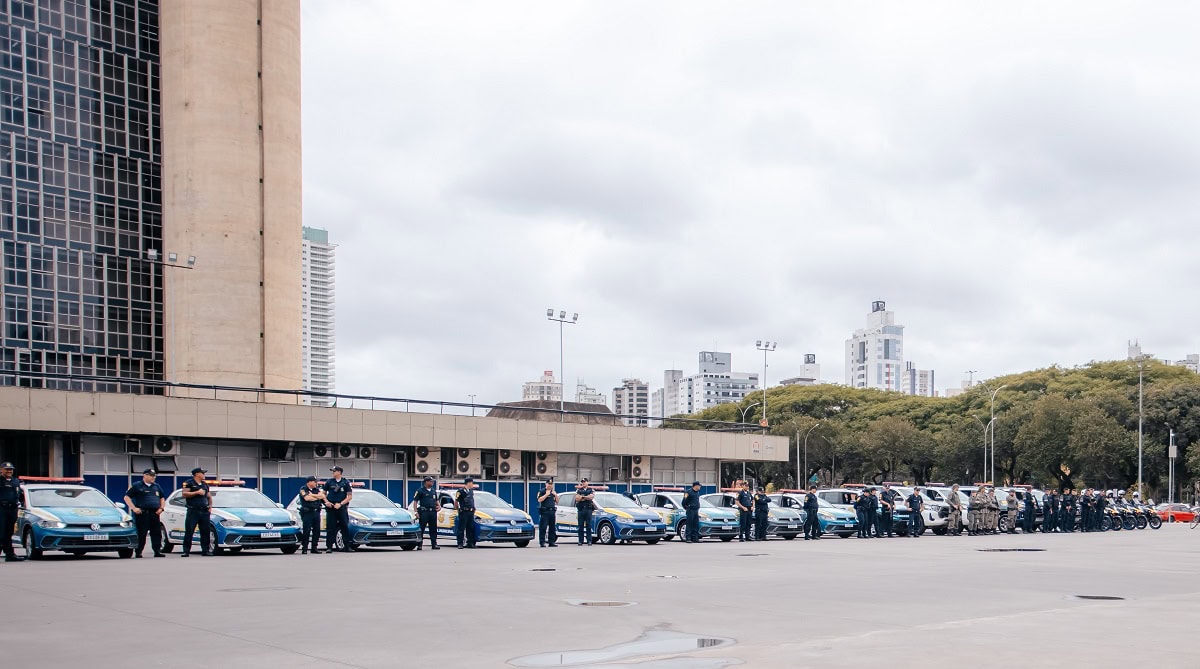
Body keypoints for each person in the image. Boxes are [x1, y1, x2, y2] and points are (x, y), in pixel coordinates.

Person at [123, 468, 166, 558]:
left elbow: (162, 498)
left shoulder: (157, 486)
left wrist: (161, 508)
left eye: (154, 476)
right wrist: (134, 508)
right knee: (142, 533)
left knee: (156, 533)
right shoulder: (137, 485)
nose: (153, 477)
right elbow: (127, 497)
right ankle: (139, 552)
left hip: (154, 513)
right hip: (142, 513)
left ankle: (157, 551)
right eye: (151, 475)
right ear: (145, 475)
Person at [180, 467, 213, 557]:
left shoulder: (204, 484)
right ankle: (186, 551)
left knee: (205, 531)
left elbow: (209, 496)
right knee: (189, 531)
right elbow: (184, 494)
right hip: (193, 510)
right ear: (197, 474)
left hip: (204, 511)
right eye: (202, 473)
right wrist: (197, 492)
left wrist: (210, 507)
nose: (204, 475)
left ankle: (205, 550)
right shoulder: (188, 483)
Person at [323, 466, 354, 553]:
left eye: (334, 471)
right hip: (331, 507)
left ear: (339, 472)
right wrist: (327, 502)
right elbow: (323, 494)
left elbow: (350, 496)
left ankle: (347, 546)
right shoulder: (329, 482)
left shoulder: (345, 482)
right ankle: (329, 547)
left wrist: (341, 504)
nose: (333, 472)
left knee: (344, 526)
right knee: (331, 527)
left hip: (341, 507)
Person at [0, 462, 24, 562]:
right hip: (1, 509)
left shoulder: (16, 481)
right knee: (1, 533)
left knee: (9, 533)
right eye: (6, 469)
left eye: (11, 469)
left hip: (12, 509)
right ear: (1, 470)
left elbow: (20, 495)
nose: (9, 471)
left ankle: (10, 555)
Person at [409, 476, 440, 550]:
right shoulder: (420, 490)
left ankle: (434, 544)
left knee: (433, 529)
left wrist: (439, 506)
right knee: (421, 529)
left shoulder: (433, 490)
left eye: (432, 481)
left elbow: (436, 500)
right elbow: (415, 501)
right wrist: (416, 511)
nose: (432, 482)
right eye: (430, 481)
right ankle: (420, 544)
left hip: (432, 512)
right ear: (426, 482)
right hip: (424, 512)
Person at [298, 476, 325, 555]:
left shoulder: (316, 490)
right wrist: (317, 497)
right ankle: (305, 548)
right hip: (307, 513)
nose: (316, 483)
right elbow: (307, 498)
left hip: (316, 512)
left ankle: (314, 548)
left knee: (317, 531)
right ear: (309, 482)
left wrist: (313, 495)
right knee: (307, 530)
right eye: (314, 481)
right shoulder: (303, 489)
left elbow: (323, 496)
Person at [454, 477, 477, 549]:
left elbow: (471, 500)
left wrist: (473, 508)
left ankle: (470, 543)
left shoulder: (471, 491)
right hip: (464, 512)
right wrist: (458, 509)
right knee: (461, 528)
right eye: (472, 483)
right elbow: (456, 501)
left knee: (470, 528)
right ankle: (460, 543)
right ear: (469, 483)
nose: (472, 484)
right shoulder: (460, 491)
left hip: (471, 512)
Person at [537, 479, 558, 548]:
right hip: (545, 512)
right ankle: (542, 542)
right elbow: (539, 500)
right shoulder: (542, 491)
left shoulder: (553, 492)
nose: (550, 485)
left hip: (552, 511)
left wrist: (556, 495)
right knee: (543, 527)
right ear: (546, 484)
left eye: (551, 484)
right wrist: (546, 495)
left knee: (552, 528)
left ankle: (551, 542)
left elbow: (557, 502)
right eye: (548, 484)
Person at [575, 478, 595, 546]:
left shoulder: (591, 490)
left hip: (588, 510)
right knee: (580, 526)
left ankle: (589, 541)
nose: (583, 483)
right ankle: (580, 541)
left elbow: (591, 497)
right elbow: (577, 498)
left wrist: (583, 497)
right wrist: (586, 497)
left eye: (584, 482)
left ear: (587, 483)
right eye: (582, 482)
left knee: (588, 526)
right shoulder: (579, 490)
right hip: (581, 510)